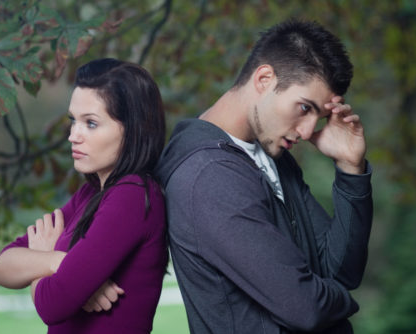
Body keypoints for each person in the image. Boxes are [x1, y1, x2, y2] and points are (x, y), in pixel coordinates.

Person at [155, 19, 373, 334]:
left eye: (320, 117)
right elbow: (305, 308)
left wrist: (351, 167)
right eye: (304, 108)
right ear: (265, 78)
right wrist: (346, 305)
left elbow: (341, 271)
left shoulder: (271, 156)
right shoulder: (208, 175)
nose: (308, 131)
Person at [0, 58, 168, 334]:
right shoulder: (90, 193)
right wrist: (57, 261)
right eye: (74, 120)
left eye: (91, 124)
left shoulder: (133, 196)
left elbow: (52, 306)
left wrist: (41, 263)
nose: (74, 135)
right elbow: (1, 267)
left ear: (133, 129)